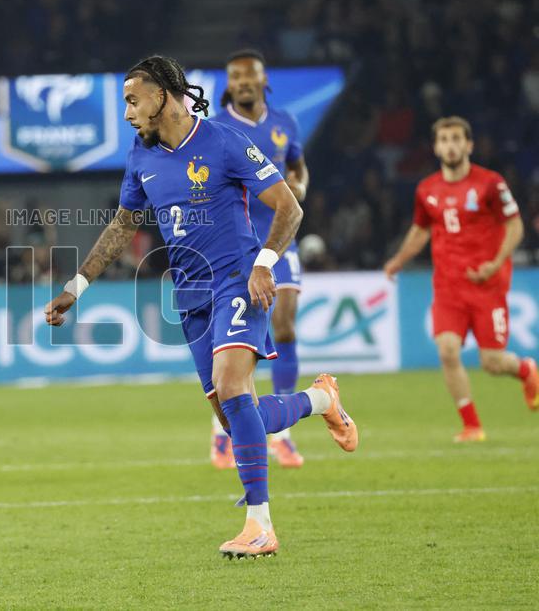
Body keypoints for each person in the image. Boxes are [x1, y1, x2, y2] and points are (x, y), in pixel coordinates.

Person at [44, 55, 357, 558]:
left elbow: (289, 206)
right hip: (188, 294)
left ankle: (260, 526)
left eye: (131, 100)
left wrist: (264, 264)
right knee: (237, 418)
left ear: (163, 96)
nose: (127, 113)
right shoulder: (141, 156)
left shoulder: (224, 141)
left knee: (234, 389)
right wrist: (76, 287)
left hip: (237, 280)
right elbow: (124, 226)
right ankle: (320, 401)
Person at [385, 116, 538, 441]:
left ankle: (526, 370)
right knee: (447, 350)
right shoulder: (427, 189)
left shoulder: (490, 183)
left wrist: (495, 264)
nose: (450, 145)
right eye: (444, 139)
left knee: (493, 362)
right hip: (448, 287)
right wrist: (398, 261)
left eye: (456, 139)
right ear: (436, 147)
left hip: (488, 285)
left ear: (469, 145)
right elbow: (420, 230)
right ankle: (471, 425)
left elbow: (515, 226)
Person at [212, 49, 310, 469]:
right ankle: (222, 433)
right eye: (236, 77)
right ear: (229, 84)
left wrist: (299, 187)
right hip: (236, 245)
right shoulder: (216, 129)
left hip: (279, 238)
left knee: (284, 327)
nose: (244, 83)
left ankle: (283, 437)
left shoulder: (284, 122)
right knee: (238, 344)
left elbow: (299, 168)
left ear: (264, 80)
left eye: (251, 76)